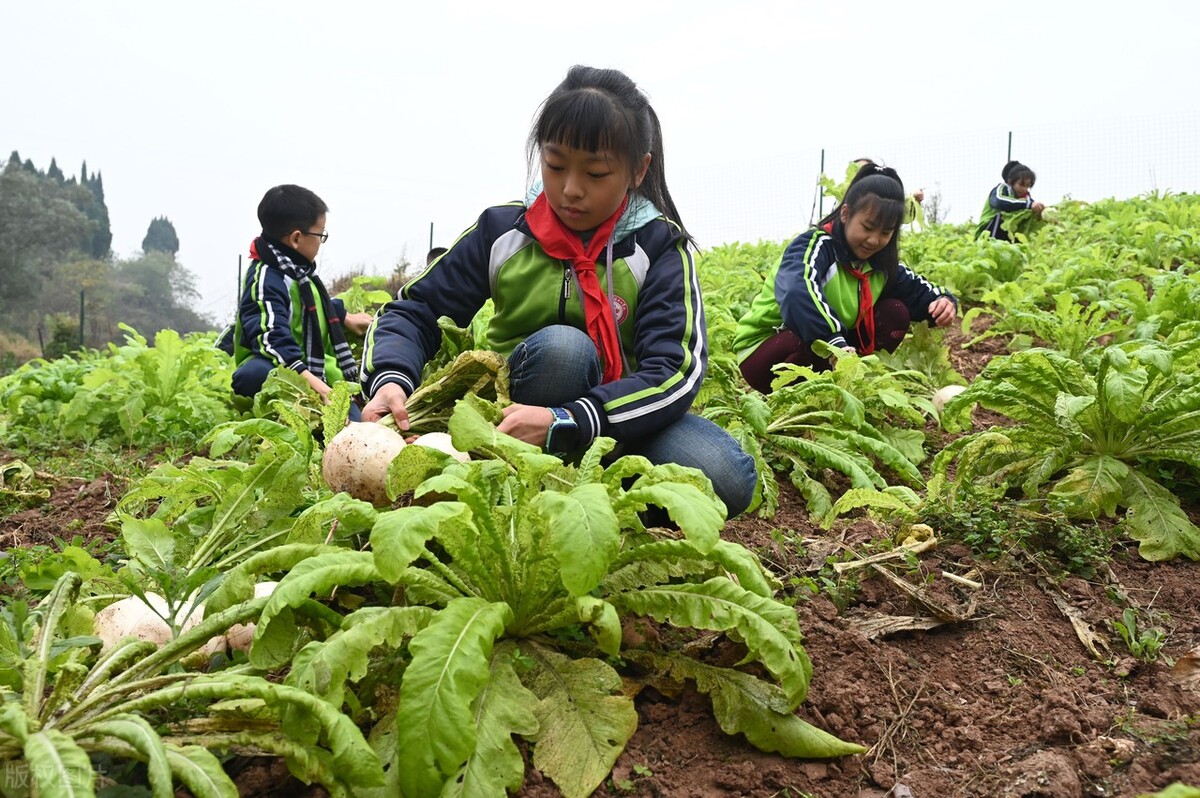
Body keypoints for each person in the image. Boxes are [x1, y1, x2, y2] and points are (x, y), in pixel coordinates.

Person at [361, 65, 757, 518]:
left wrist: (573, 419)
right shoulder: (503, 230)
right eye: (555, 165)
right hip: (508, 418)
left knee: (725, 477)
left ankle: (574, 489)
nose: (570, 190)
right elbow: (415, 309)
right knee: (564, 351)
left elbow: (675, 371)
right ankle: (548, 486)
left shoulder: (658, 245)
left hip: (611, 417)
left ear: (637, 170)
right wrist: (392, 377)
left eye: (595, 173)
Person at [735, 164, 958, 394]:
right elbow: (796, 292)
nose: (874, 240)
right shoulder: (815, 245)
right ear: (845, 214)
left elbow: (918, 291)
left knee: (895, 313)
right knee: (807, 338)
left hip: (828, 349)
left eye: (885, 233)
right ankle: (806, 399)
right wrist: (833, 342)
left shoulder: (880, 264)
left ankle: (843, 389)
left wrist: (943, 302)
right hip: (766, 350)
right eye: (868, 227)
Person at [231, 184, 373, 411]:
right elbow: (273, 342)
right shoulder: (265, 280)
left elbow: (310, 306)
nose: (321, 241)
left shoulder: (300, 273)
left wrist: (344, 317)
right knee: (255, 374)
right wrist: (322, 390)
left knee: (360, 427)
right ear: (297, 238)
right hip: (283, 372)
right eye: (320, 234)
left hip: (315, 369)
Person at [976, 160, 1043, 241]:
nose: (1024, 189)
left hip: (1008, 231)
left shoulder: (1026, 198)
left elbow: (1031, 206)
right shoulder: (1001, 189)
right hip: (988, 229)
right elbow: (999, 202)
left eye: (1027, 186)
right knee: (1002, 217)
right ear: (1011, 181)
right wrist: (1028, 205)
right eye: (1021, 185)